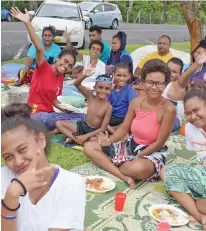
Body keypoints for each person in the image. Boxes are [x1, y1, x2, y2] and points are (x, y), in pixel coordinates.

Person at [84, 59, 176, 188]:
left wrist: (137, 156)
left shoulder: (168, 109)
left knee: (136, 168)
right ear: (142, 82)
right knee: (89, 146)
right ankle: (122, 175)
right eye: (149, 82)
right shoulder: (136, 102)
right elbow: (124, 128)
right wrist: (109, 141)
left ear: (166, 84)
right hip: (130, 144)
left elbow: (159, 143)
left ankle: (117, 165)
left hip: (150, 151)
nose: (154, 87)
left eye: (159, 83)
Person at [1, 103, 86, 231]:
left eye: (22, 149)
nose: (17, 162)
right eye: (8, 157)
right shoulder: (4, 177)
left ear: (41, 140)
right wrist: (12, 194)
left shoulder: (71, 184)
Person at [11, 7, 86, 131]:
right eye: (65, 62)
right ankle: (57, 128)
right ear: (58, 58)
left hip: (50, 114)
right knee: (44, 119)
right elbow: (39, 48)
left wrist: (65, 109)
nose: (66, 66)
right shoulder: (44, 68)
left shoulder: (60, 76)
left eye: (69, 65)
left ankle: (58, 128)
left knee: (83, 116)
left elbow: (53, 100)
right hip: (36, 114)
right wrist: (28, 23)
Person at [160, 87, 206, 230]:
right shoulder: (190, 129)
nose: (193, 116)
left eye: (196, 110)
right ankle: (201, 217)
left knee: (201, 204)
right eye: (188, 113)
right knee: (167, 171)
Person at [55, 72, 112, 145]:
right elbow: (76, 83)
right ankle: (77, 139)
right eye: (100, 87)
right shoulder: (90, 97)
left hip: (95, 132)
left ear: (110, 90)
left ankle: (78, 139)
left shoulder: (108, 107)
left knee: (101, 140)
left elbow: (103, 128)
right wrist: (85, 75)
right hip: (83, 127)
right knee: (59, 123)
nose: (103, 91)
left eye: (107, 89)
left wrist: (86, 136)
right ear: (94, 88)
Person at [108, 63, 136, 129]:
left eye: (124, 76)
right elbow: (107, 105)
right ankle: (112, 129)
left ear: (129, 76)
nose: (121, 78)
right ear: (113, 75)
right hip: (112, 117)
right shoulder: (112, 90)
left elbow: (133, 110)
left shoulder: (130, 91)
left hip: (124, 119)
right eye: (118, 75)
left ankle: (117, 129)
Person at [164, 57, 184, 132]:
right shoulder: (162, 80)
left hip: (175, 121)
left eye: (174, 72)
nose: (169, 73)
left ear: (180, 74)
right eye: (168, 69)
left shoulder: (177, 85)